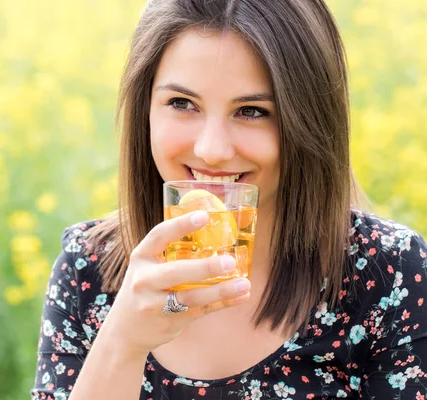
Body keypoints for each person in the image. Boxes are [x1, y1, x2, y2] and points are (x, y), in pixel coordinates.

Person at [31, 0, 427, 399]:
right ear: (144, 109)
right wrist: (122, 343)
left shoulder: (390, 276)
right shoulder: (87, 270)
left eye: (252, 111)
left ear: (309, 120)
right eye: (182, 104)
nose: (212, 150)